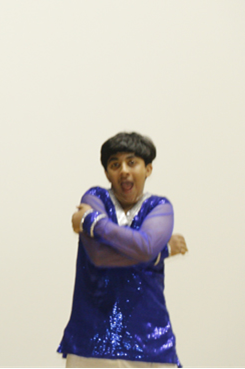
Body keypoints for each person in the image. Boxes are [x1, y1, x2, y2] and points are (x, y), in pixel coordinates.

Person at [59, 132, 187, 368]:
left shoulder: (159, 207)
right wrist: (160, 252)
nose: (124, 170)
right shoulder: (94, 198)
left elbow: (146, 247)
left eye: (132, 162)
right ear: (107, 173)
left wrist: (92, 222)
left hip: (151, 342)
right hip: (92, 342)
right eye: (115, 165)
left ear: (148, 169)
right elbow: (100, 256)